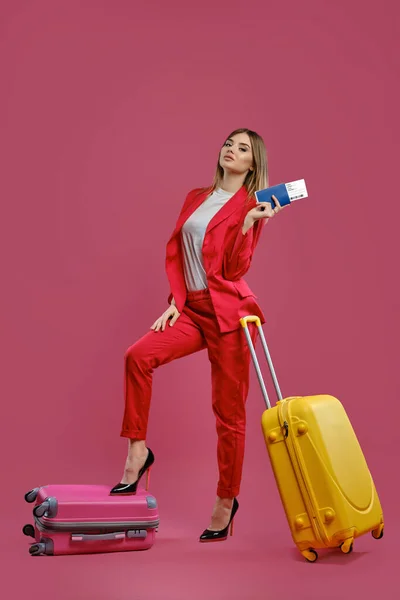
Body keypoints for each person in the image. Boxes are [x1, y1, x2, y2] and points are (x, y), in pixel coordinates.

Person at [110, 128, 287, 542]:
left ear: (252, 164)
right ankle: (138, 453)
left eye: (243, 148)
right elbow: (179, 251)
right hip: (190, 308)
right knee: (138, 357)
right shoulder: (196, 197)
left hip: (229, 315)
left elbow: (234, 270)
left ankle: (226, 500)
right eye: (229, 143)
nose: (232, 150)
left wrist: (247, 223)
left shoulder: (251, 205)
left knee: (229, 415)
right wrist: (175, 299)